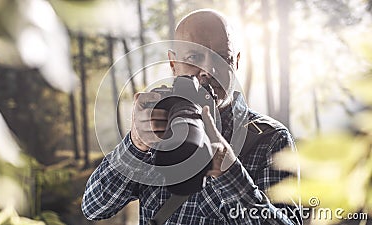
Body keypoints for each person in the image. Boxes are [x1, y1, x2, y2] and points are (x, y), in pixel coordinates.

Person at [82, 9, 302, 225]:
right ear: (172, 64)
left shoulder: (270, 138)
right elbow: (94, 207)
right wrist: (136, 144)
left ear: (235, 62)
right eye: (193, 57)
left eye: (221, 58)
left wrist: (229, 170)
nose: (207, 70)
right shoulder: (156, 126)